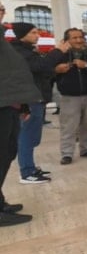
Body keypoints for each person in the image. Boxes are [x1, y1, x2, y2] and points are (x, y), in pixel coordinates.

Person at [10, 22, 69, 183]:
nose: (37, 36)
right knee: (27, 136)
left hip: (36, 97)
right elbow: (39, 66)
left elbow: (40, 70)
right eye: (33, 33)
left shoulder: (27, 50)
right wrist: (58, 51)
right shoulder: (20, 52)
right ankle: (27, 172)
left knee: (32, 136)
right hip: (29, 99)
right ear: (23, 35)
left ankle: (30, 167)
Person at [1, 14, 42, 225]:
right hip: (3, 103)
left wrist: (23, 102)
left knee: (7, 152)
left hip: (10, 102)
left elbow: (13, 74)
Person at [51, 28, 87, 165]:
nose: (78, 40)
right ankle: (67, 153)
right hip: (69, 96)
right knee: (69, 126)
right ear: (67, 40)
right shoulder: (60, 55)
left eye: (80, 37)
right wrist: (56, 70)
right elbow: (47, 71)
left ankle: (86, 149)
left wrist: (86, 65)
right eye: (74, 38)